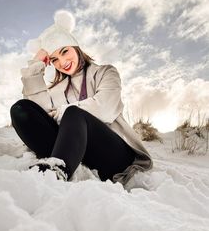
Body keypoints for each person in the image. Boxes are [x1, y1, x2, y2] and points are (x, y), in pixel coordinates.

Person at [10, 11, 153, 186]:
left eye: (65, 51)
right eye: (54, 59)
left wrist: (63, 112)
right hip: (79, 154)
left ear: (76, 47)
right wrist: (36, 63)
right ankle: (63, 160)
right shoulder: (59, 88)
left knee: (73, 112)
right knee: (21, 109)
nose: (62, 62)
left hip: (115, 157)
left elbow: (105, 109)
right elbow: (39, 114)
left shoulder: (105, 72)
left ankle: (56, 171)